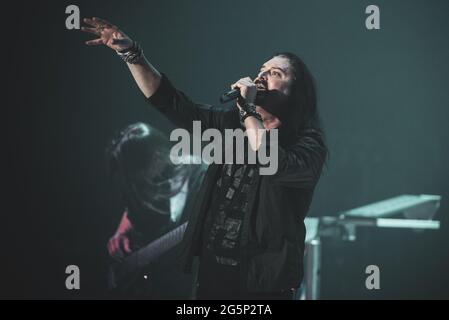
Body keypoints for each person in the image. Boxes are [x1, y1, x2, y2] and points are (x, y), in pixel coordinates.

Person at [82, 17, 328, 300]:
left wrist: (247, 110)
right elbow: (173, 103)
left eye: (276, 73)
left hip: (264, 285)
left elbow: (271, 160)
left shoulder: (308, 144)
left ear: (295, 92)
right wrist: (131, 54)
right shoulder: (232, 125)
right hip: (214, 278)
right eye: (261, 69)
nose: (261, 76)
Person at [106, 122, 206, 299]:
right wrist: (121, 231)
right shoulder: (157, 180)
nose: (143, 178)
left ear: (156, 155)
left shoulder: (201, 174)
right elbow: (132, 208)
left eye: (142, 171)